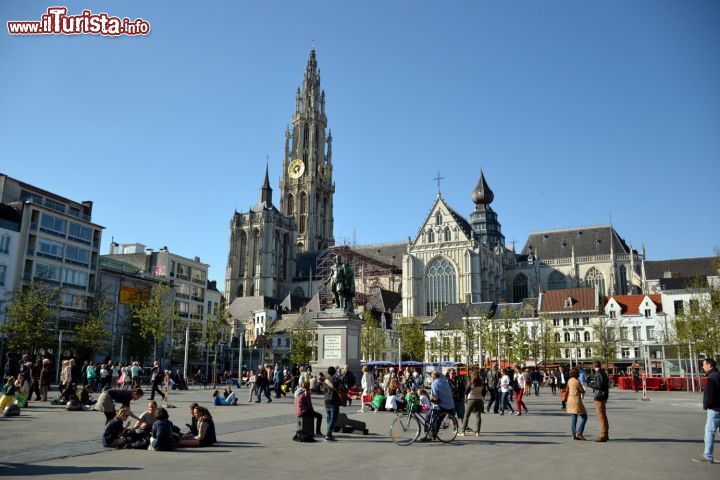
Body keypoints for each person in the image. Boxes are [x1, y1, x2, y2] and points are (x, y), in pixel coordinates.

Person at [692, 358, 720, 464]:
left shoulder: (712, 378)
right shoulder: (718, 375)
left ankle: (707, 455)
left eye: (704, 365)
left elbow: (710, 395)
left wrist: (707, 405)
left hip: (715, 409)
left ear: (709, 365)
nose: (703, 367)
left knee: (709, 432)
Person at [421, 371, 455, 442]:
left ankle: (428, 434)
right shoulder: (445, 381)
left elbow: (435, 397)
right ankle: (433, 434)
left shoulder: (434, 383)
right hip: (451, 405)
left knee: (428, 416)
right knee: (436, 418)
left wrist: (430, 398)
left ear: (433, 377)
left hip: (443, 406)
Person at [588, 360, 610, 443]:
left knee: (601, 415)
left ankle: (603, 434)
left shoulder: (599, 373)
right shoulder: (603, 372)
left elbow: (599, 385)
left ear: (593, 366)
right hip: (603, 396)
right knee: (603, 415)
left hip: (600, 396)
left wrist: (590, 384)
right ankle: (606, 433)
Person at [322, 366, 344, 441]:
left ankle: (329, 433)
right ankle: (328, 435)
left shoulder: (325, 380)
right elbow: (342, 388)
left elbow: (323, 390)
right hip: (334, 400)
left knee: (328, 417)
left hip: (326, 400)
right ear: (334, 372)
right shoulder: (336, 379)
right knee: (333, 418)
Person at [459, 372, 484, 437]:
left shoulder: (471, 383)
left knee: (466, 415)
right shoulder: (482, 383)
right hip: (480, 400)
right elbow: (484, 393)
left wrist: (466, 396)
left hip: (472, 399)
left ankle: (463, 432)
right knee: (478, 416)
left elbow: (466, 392)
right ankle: (478, 432)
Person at [566, 368, 588, 440]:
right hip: (576, 400)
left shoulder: (569, 381)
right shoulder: (577, 381)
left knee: (574, 417)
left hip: (570, 400)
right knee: (584, 417)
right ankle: (579, 432)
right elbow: (582, 391)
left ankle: (573, 434)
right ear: (576, 374)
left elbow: (567, 389)